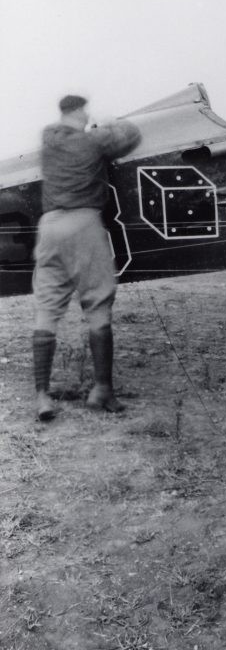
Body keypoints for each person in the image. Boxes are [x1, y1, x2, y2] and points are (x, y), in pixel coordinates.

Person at [32, 95, 141, 421]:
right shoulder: (92, 141)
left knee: (47, 308)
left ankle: (42, 396)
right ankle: (101, 390)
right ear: (79, 112)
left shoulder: (48, 140)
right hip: (83, 223)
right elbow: (131, 135)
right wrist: (108, 122)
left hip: (49, 227)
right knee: (97, 303)